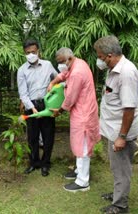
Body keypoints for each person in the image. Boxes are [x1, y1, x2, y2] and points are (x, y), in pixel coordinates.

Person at [94, 35, 138, 213]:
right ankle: (117, 193)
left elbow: (129, 109)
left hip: (121, 132)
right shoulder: (113, 69)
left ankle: (120, 205)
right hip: (113, 129)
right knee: (116, 167)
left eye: (100, 57)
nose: (99, 60)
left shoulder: (126, 73)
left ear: (110, 55)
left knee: (122, 169)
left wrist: (122, 137)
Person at [49, 47, 100, 192]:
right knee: (78, 143)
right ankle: (79, 171)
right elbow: (64, 74)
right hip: (81, 111)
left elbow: (70, 97)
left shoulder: (77, 72)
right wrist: (53, 82)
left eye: (61, 62)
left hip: (84, 113)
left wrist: (59, 111)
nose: (60, 65)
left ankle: (83, 182)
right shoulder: (77, 63)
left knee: (83, 146)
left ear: (69, 59)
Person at [17, 39, 58, 177]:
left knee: (48, 136)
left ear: (38, 51)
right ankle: (34, 163)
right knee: (32, 137)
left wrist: (53, 85)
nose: (31, 55)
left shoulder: (47, 65)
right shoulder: (21, 70)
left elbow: (58, 79)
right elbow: (23, 93)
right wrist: (32, 108)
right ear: (24, 53)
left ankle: (45, 163)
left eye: (33, 52)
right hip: (31, 105)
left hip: (47, 104)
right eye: (28, 53)